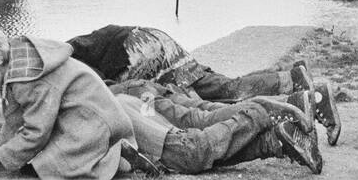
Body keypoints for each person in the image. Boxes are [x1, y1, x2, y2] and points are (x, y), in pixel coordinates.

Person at [0, 76, 323, 177]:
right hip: (127, 101)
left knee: (194, 153)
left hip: (120, 118)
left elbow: (18, 143)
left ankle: (260, 111)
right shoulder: (2, 111)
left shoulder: (2, 117)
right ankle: (275, 140)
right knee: (200, 130)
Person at [65, 23, 343, 145]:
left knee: (202, 107)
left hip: (138, 52)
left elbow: (101, 91)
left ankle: (301, 97)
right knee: (219, 89)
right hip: (149, 40)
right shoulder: (61, 53)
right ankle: (297, 83)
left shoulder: (66, 62)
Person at [0, 19, 132, 180]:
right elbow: (14, 118)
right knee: (29, 158)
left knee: (50, 166)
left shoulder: (28, 81)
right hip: (86, 116)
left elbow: (36, 133)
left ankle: (117, 159)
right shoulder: (17, 60)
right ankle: (111, 153)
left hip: (94, 123)